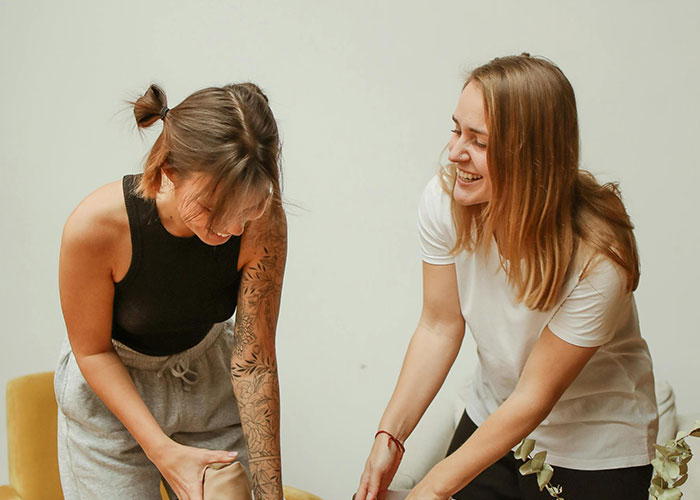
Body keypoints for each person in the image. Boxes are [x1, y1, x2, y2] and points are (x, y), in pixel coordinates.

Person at [355, 54, 658, 500]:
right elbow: (439, 326)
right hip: (495, 415)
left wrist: (433, 487)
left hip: (596, 449)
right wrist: (390, 436)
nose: (455, 153)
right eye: (457, 130)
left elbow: (534, 396)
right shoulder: (445, 202)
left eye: (478, 141)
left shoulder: (598, 257)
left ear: (530, 157)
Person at [55, 82, 287, 500]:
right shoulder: (96, 228)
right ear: (168, 170)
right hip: (113, 396)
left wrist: (271, 496)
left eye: (248, 206)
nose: (233, 227)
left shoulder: (263, 221)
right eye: (213, 208)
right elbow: (92, 352)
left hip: (208, 388)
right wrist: (161, 450)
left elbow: (255, 364)